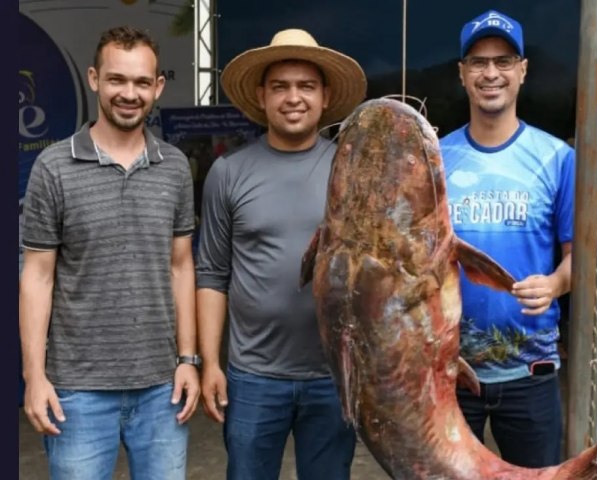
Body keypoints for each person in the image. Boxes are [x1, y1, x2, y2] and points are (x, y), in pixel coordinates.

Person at [19, 26, 200, 480]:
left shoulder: (175, 167)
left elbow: (181, 267)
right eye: (118, 80)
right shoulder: (54, 167)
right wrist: (34, 377)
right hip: (77, 392)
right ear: (95, 79)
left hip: (162, 390)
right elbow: (37, 276)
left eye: (142, 83)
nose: (129, 93)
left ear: (158, 87)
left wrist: (188, 360)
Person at [195, 29, 367, 480]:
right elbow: (212, 273)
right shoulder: (228, 172)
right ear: (262, 95)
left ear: (325, 96)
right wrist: (210, 364)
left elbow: (375, 270)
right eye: (280, 87)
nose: (294, 98)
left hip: (333, 376)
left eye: (306, 86)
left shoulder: (350, 170)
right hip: (253, 377)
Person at [440, 10, 575, 468]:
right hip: (449, 374)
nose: (491, 73)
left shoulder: (558, 158)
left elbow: (580, 260)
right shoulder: (435, 160)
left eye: (503, 60)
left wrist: (557, 283)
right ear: (462, 74)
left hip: (532, 375)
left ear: (522, 70)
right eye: (478, 62)